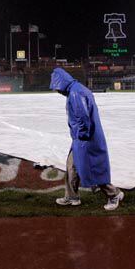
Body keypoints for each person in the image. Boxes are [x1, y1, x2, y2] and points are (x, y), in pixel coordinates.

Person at [49, 67, 124, 211]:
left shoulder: (76, 93)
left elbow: (83, 118)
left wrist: (81, 137)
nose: (57, 91)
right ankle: (72, 196)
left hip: (86, 138)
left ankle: (114, 194)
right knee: (71, 166)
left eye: (57, 88)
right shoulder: (75, 90)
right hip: (80, 137)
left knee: (92, 168)